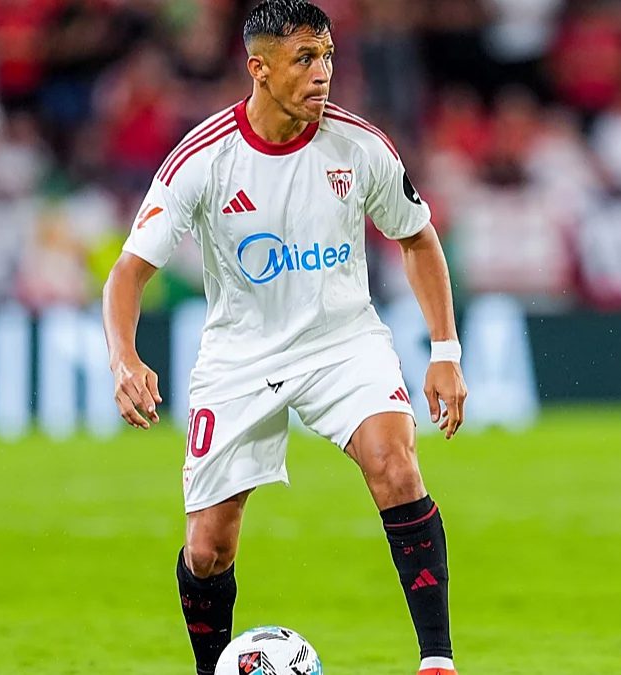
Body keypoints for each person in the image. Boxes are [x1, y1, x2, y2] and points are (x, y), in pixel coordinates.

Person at [101, 2, 466, 673]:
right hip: (241, 354)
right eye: (304, 58)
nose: (323, 73)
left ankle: (437, 661)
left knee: (395, 463)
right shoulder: (204, 159)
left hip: (342, 341)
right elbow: (128, 272)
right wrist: (124, 357)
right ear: (259, 68)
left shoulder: (360, 146)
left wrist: (445, 350)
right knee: (209, 547)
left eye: (326, 56)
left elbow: (417, 237)